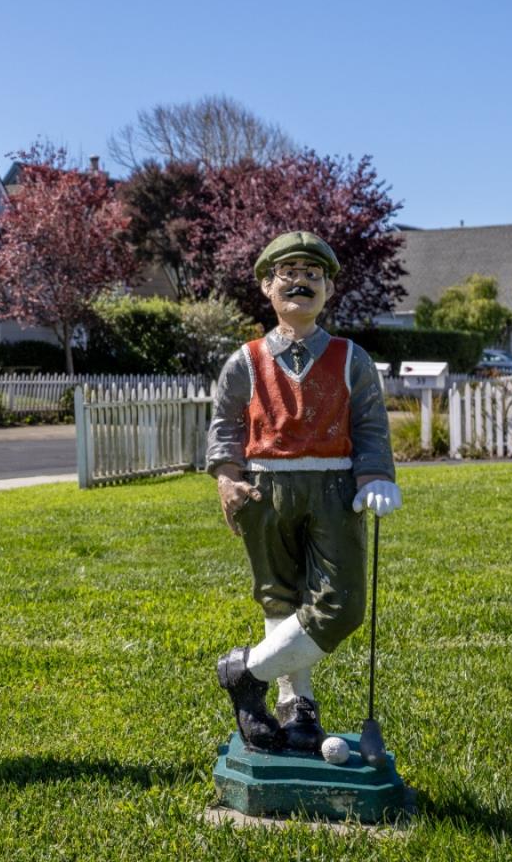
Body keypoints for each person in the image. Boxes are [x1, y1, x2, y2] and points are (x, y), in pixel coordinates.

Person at [207, 231, 402, 752]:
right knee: (281, 594)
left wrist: (375, 474)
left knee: (341, 604)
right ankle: (298, 705)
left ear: (329, 290)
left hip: (333, 486)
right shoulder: (245, 361)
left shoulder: (350, 357)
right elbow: (225, 424)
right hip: (264, 489)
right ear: (267, 288)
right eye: (287, 274)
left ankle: (247, 672)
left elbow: (370, 423)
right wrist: (227, 476)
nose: (300, 283)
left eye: (312, 274)